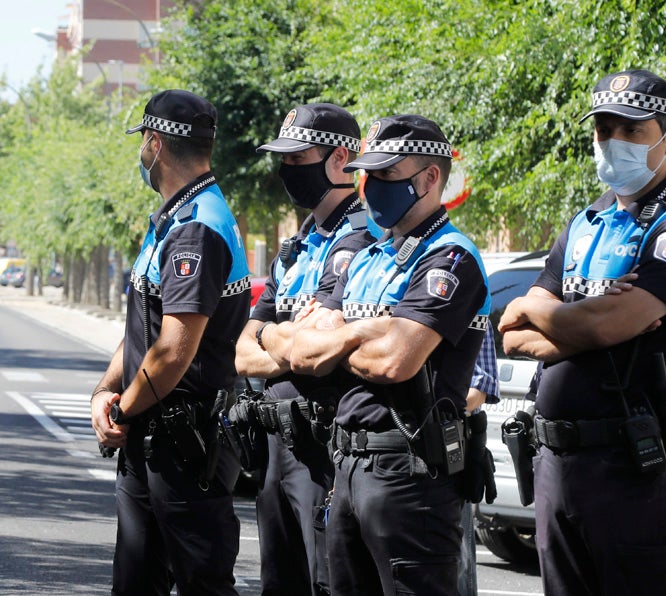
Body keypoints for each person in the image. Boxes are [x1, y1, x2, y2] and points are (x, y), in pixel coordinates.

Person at [498, 69, 666, 595]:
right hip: (556, 461)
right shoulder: (586, 221)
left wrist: (578, 317)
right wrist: (592, 320)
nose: (612, 142)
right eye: (603, 129)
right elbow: (511, 331)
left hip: (633, 466)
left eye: (630, 130)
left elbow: (607, 324)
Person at [286, 114, 492, 594]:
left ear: (430, 178)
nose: (371, 186)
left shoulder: (451, 257)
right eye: (368, 174)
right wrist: (368, 329)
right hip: (349, 465)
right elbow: (299, 347)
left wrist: (338, 335)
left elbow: (394, 362)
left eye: (386, 175)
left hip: (409, 474)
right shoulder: (364, 255)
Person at [89, 89, 250, 595]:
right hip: (153, 438)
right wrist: (104, 391)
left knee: (201, 584)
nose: (140, 153)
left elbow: (173, 351)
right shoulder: (173, 220)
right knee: (136, 584)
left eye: (142, 143)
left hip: (183, 447)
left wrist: (122, 411)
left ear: (155, 145)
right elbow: (143, 331)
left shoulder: (197, 228)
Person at [233, 103, 373, 596]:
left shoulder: (362, 242)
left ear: (340, 160)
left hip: (324, 444)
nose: (287, 170)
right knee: (280, 582)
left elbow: (320, 351)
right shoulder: (297, 246)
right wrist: (289, 338)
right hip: (275, 444)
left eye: (298, 158)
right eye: (284, 159)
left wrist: (282, 338)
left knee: (325, 581)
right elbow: (243, 351)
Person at [459, 321, 500, 596]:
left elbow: (480, 386)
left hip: (440, 451)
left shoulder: (468, 285)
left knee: (453, 571)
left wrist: (428, 414)